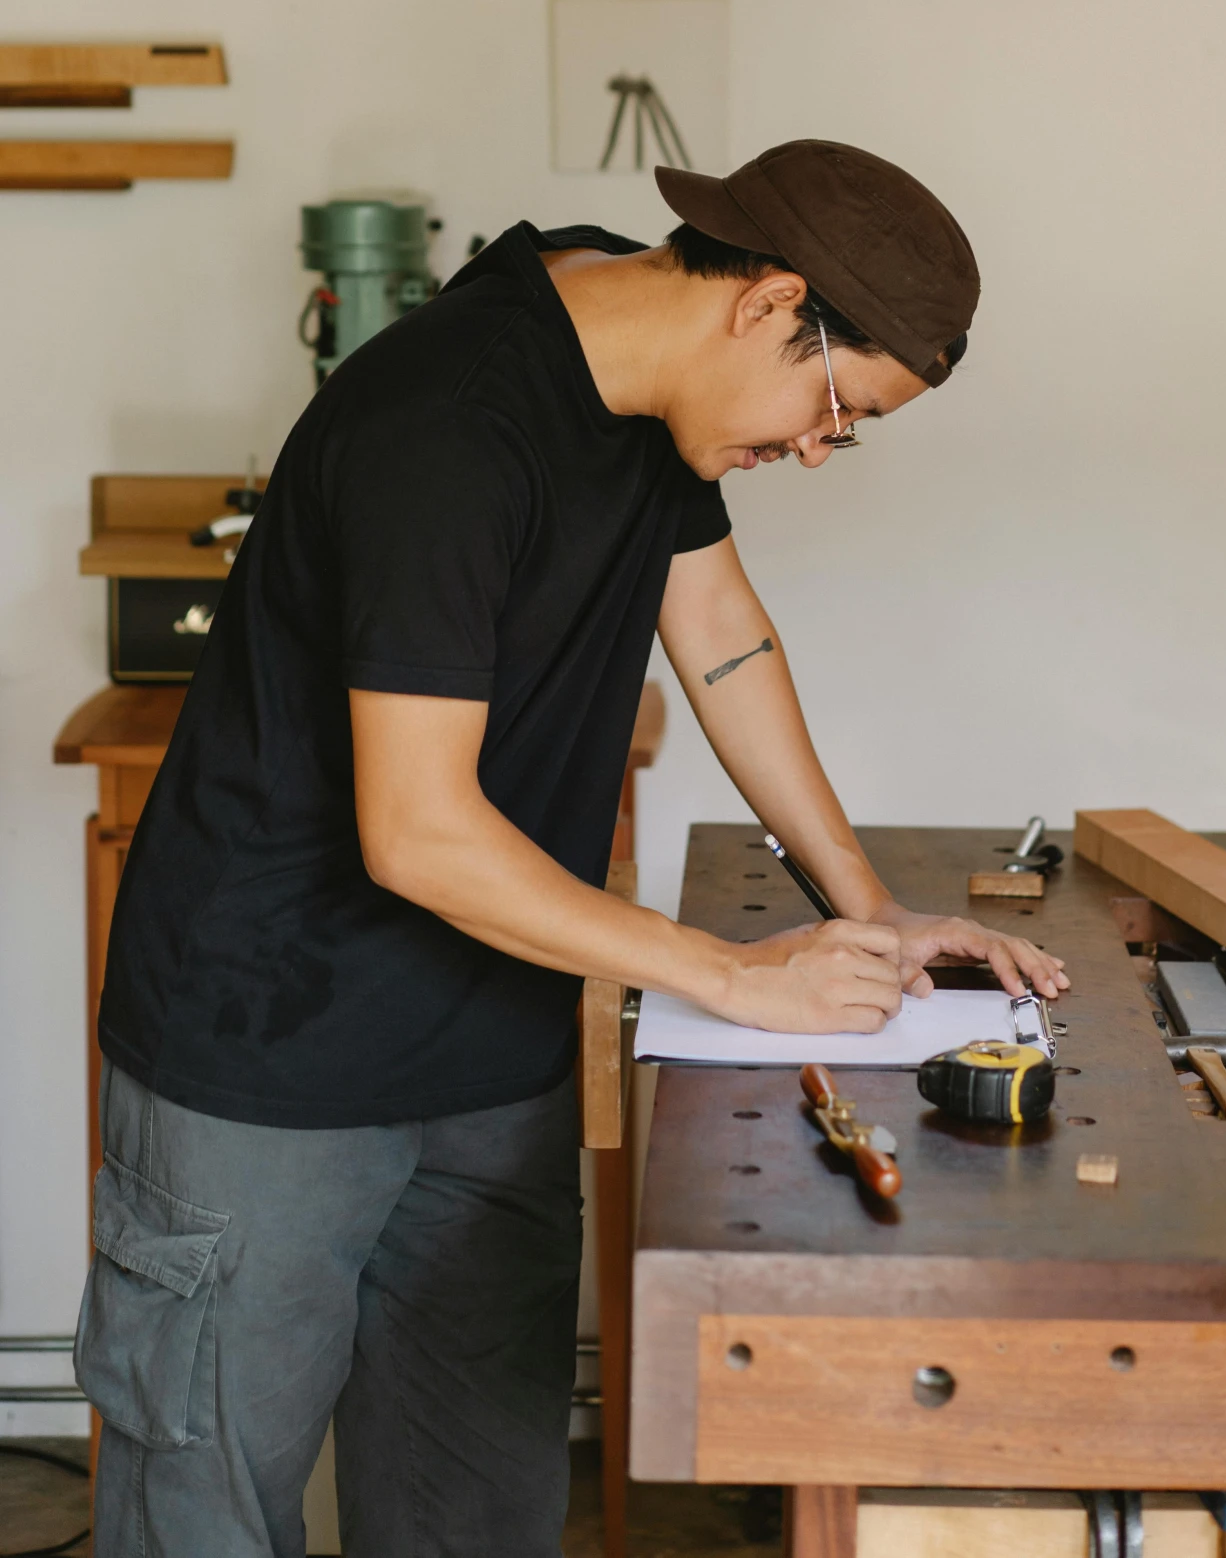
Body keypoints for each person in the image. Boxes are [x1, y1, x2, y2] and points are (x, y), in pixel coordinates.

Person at [77, 138, 1068, 1558]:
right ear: (765, 299)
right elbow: (417, 831)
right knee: (206, 1524)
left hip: (490, 1050)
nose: (814, 445)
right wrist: (738, 976)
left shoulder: (645, 375)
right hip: (267, 1062)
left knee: (472, 1521)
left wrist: (870, 913)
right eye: (834, 401)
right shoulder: (449, 421)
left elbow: (720, 635)